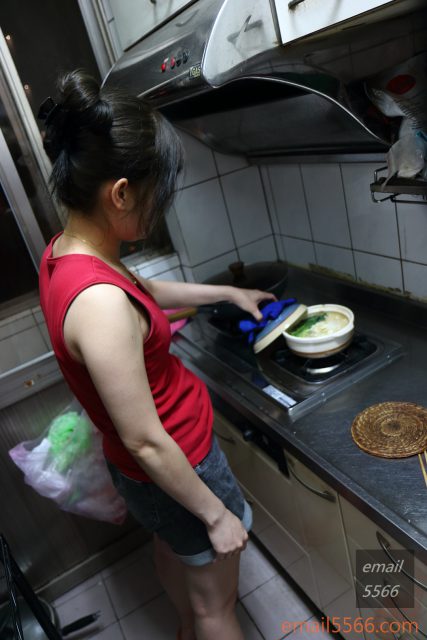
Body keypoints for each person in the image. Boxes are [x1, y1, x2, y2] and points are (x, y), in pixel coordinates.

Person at [38, 69, 276, 640]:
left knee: (177, 561)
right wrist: (216, 514)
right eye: (155, 196)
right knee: (219, 604)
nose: (158, 210)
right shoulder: (97, 304)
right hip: (179, 464)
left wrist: (224, 291)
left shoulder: (67, 254)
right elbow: (147, 438)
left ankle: (186, 629)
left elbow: (138, 297)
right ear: (119, 192)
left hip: (148, 476)